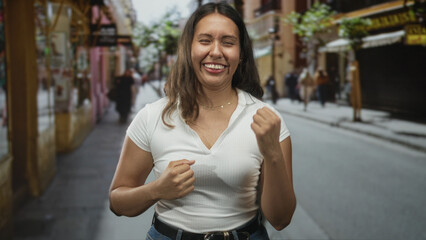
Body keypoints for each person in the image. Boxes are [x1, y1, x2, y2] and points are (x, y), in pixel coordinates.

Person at [109, 3, 296, 240]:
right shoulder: (152, 116)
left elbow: (281, 219)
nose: (216, 51)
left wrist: (273, 154)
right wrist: (156, 190)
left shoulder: (266, 120)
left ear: (241, 53)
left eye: (228, 42)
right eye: (205, 40)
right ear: (189, 49)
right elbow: (117, 201)